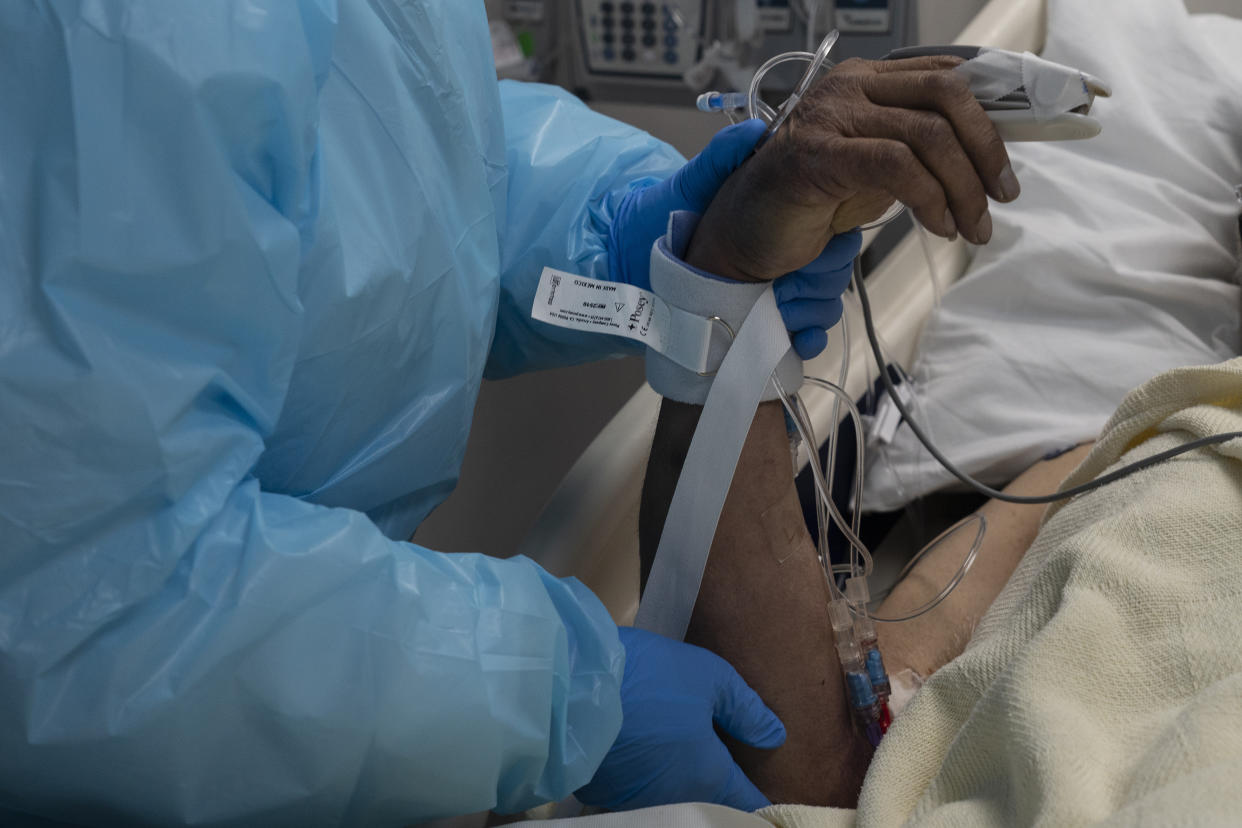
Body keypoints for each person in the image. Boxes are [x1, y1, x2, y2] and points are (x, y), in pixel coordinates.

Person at [0, 2, 1016, 824]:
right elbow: (90, 612)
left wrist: (638, 231)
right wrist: (553, 693)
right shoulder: (110, 34)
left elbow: (393, 156)